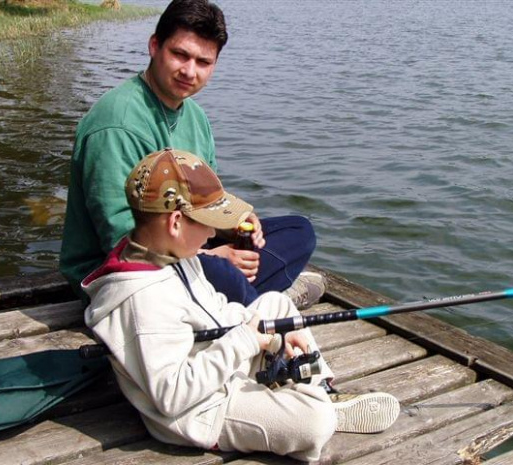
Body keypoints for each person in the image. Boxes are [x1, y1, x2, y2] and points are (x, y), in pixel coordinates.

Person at [82, 148, 400, 461]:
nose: (211, 234)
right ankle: (310, 401)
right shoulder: (142, 301)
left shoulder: (171, 254)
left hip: (215, 362)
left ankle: (316, 388)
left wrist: (271, 334)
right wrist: (246, 341)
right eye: (207, 223)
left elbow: (217, 311)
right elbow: (173, 396)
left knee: (276, 305)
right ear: (175, 222)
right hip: (201, 409)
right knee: (315, 422)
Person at [61, 0, 322, 307]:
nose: (189, 71)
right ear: (155, 46)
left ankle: (250, 296)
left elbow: (207, 202)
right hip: (123, 271)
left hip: (185, 243)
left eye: (203, 62)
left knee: (299, 231)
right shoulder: (117, 124)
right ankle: (261, 301)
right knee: (224, 274)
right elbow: (121, 240)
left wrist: (236, 221)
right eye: (180, 55)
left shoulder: (196, 117)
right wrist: (209, 258)